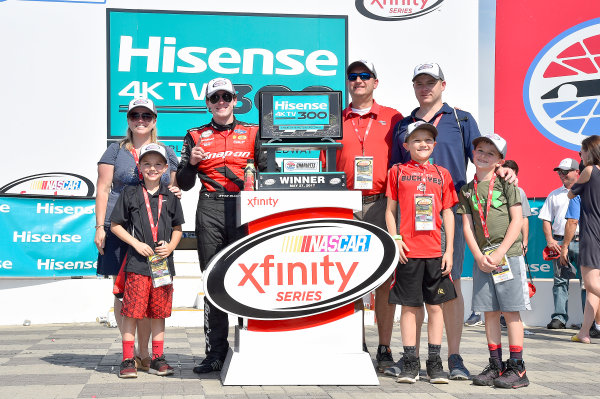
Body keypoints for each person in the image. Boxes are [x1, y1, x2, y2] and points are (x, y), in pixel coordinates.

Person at [388, 62, 508, 380]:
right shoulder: (404, 124)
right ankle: (410, 357)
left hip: (449, 214)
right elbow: (393, 176)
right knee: (411, 291)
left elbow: (484, 156)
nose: (424, 87)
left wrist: (507, 170)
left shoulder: (461, 118)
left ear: (443, 85)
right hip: (411, 222)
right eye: (419, 82)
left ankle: (453, 358)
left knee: (450, 284)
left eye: (431, 82)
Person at [176, 77, 266, 373]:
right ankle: (215, 352)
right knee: (212, 279)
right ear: (208, 103)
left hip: (246, 208)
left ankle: (250, 346)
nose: (222, 102)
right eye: (215, 98)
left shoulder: (253, 131)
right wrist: (190, 164)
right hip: (210, 205)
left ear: (234, 100)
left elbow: (270, 174)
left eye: (226, 96)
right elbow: (185, 185)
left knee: (248, 277)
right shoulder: (195, 135)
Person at [94, 97, 179, 371]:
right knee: (123, 294)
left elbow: (173, 189)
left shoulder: (166, 151)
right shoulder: (114, 150)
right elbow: (104, 188)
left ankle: (145, 353)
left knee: (151, 291)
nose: (140, 120)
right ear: (128, 120)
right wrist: (99, 227)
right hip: (119, 230)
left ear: (154, 120)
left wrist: (176, 192)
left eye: (146, 116)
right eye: (135, 116)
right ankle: (130, 352)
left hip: (153, 235)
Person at [335, 59, 403, 371]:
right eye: (353, 76)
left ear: (376, 82)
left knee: (384, 278)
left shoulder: (393, 117)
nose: (359, 80)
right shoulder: (335, 118)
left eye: (365, 76)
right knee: (348, 277)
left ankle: (385, 348)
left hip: (382, 203)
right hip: (345, 204)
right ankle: (353, 342)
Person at [385, 121, 457, 384]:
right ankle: (410, 362)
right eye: (416, 140)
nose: (423, 144)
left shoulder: (442, 174)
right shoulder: (397, 171)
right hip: (408, 251)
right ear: (406, 145)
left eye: (428, 139)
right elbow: (390, 211)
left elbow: (448, 212)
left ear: (434, 144)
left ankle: (435, 362)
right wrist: (395, 239)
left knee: (435, 307)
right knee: (409, 307)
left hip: (436, 251)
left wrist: (448, 249)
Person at [457, 133, 529, 389]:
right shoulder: (467, 189)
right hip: (483, 257)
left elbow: (518, 220)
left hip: (506, 255)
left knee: (510, 311)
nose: (483, 155)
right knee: (489, 312)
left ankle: (517, 367)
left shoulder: (507, 183)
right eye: (480, 150)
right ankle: (496, 364)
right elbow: (466, 226)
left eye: (491, 153)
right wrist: (478, 256)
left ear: (500, 160)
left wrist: (500, 253)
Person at [110, 143, 184, 378]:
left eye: (158, 164)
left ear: (165, 168)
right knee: (132, 312)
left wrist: (171, 246)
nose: (152, 168)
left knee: (158, 313)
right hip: (137, 265)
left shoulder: (170, 196)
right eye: (147, 164)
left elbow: (178, 228)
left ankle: (158, 357)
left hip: (163, 266)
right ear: (139, 166)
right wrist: (135, 243)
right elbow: (115, 226)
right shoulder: (130, 192)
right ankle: (127, 360)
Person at [538, 158, 580, 329]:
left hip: (583, 240)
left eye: (565, 171)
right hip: (559, 241)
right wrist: (550, 240)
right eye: (559, 172)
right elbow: (546, 219)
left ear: (577, 171)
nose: (562, 175)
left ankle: (591, 321)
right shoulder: (554, 194)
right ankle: (560, 318)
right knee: (560, 281)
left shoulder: (588, 192)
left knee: (589, 283)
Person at [569, 135, 600, 344]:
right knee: (592, 287)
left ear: (589, 151)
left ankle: (585, 332)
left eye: (582, 152)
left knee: (590, 282)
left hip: (591, 231)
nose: (581, 155)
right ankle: (584, 332)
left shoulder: (590, 170)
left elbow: (571, 194)